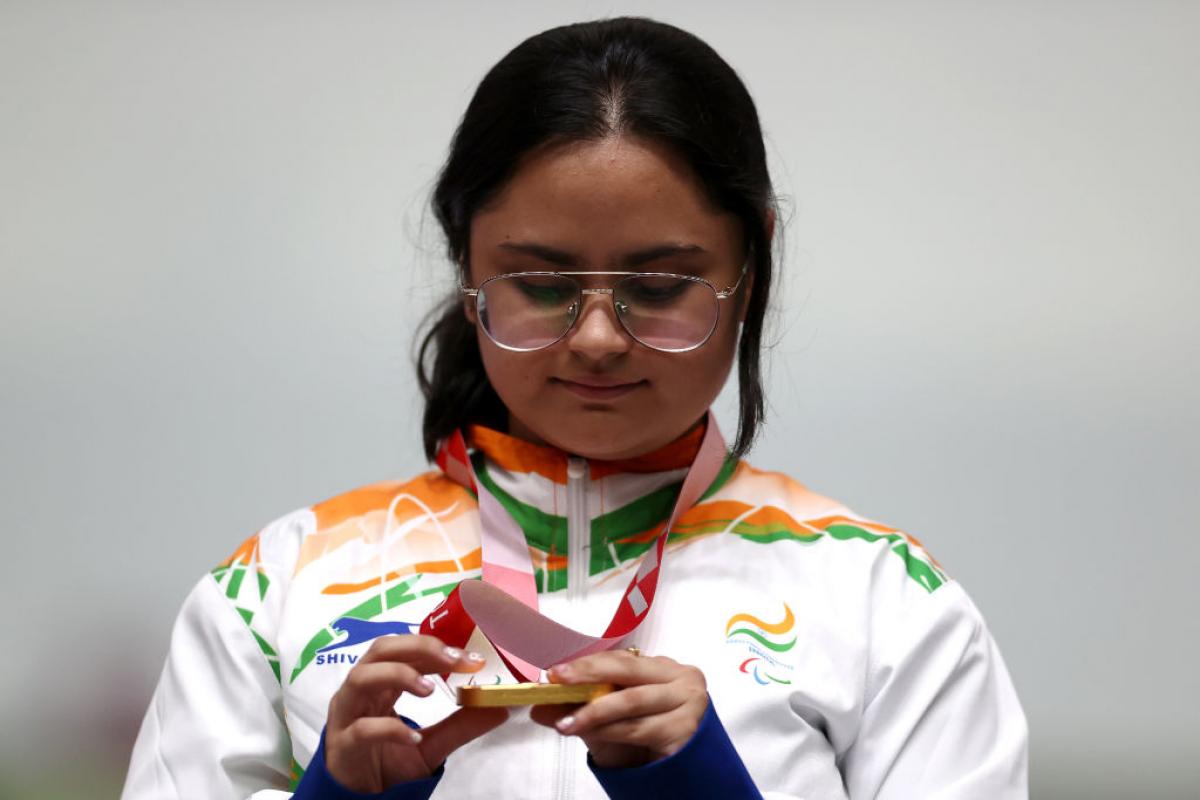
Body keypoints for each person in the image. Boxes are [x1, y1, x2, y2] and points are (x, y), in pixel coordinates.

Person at [121, 16, 1028, 800]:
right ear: (466, 266)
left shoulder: (883, 599)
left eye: (664, 283)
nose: (598, 337)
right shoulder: (274, 589)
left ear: (751, 270)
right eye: (542, 284)